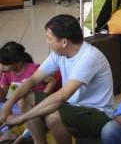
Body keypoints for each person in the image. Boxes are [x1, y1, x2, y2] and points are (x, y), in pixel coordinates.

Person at [0, 15, 114, 144]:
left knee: (53, 117)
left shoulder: (89, 57)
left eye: (49, 38)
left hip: (98, 113)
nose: (47, 42)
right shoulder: (59, 54)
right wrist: (7, 106)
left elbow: (61, 96)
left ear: (64, 42)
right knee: (24, 98)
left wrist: (21, 118)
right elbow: (32, 80)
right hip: (72, 106)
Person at [0, 42, 57, 142]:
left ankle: (27, 134)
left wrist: (44, 95)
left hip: (31, 105)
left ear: (18, 62)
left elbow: (52, 80)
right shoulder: (7, 73)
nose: (1, 66)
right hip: (15, 106)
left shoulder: (33, 69)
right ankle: (10, 133)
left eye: (4, 63)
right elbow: (4, 96)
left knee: (22, 101)